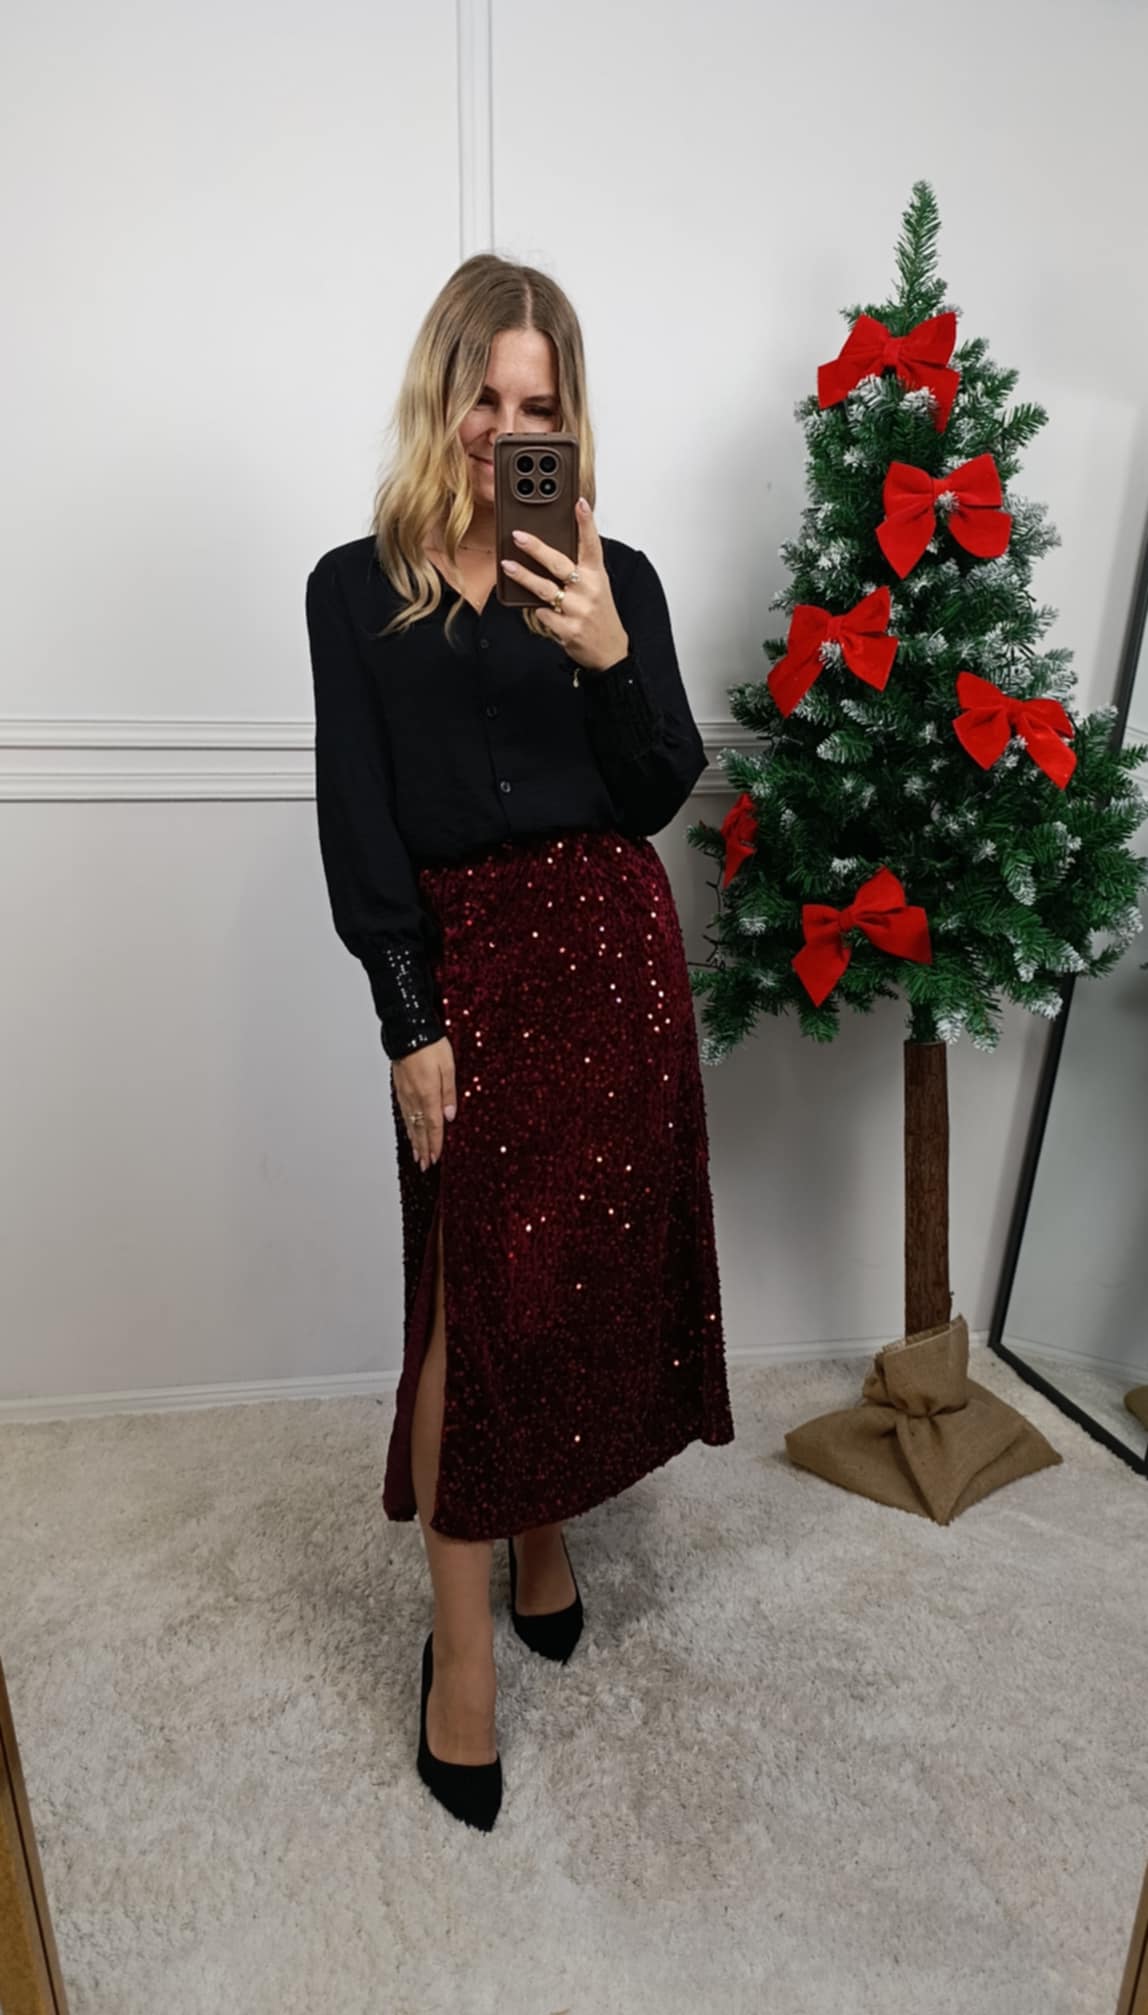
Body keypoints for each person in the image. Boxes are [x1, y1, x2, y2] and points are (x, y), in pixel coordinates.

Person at [304, 254, 735, 1832]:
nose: (504, 430)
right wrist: (408, 1014)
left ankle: (546, 1538)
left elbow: (657, 790)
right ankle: (464, 1657)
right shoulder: (355, 587)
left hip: (610, 962)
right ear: (442, 395)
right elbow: (360, 818)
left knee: (577, 1284)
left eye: (535, 404)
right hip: (468, 975)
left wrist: (609, 651)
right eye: (482, 397)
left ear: (568, 416)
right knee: (469, 1299)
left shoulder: (618, 577)